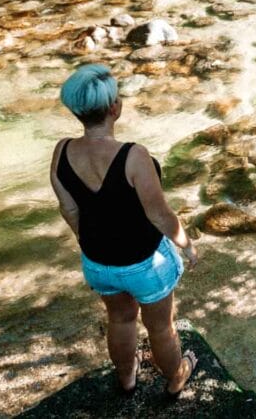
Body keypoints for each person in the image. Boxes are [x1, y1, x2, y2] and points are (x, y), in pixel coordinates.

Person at [49, 63, 199, 397]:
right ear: (115, 108)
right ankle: (176, 378)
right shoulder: (134, 155)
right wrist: (187, 245)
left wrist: (88, 243)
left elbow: (69, 208)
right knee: (160, 327)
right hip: (145, 263)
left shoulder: (61, 151)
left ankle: (127, 380)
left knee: (120, 319)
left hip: (97, 262)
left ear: (76, 111)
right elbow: (160, 215)